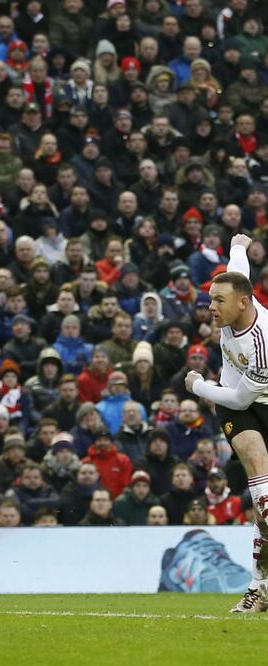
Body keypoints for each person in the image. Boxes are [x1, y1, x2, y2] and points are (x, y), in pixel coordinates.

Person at [185, 234, 268, 612]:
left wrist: (199, 386)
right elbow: (238, 272)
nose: (211, 307)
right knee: (263, 495)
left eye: (218, 301)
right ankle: (258, 589)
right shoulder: (236, 300)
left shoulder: (262, 342)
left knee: (264, 515)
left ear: (242, 303)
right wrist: (238, 246)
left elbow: (240, 397)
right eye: (211, 299)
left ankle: (259, 588)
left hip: (246, 399)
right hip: (235, 407)